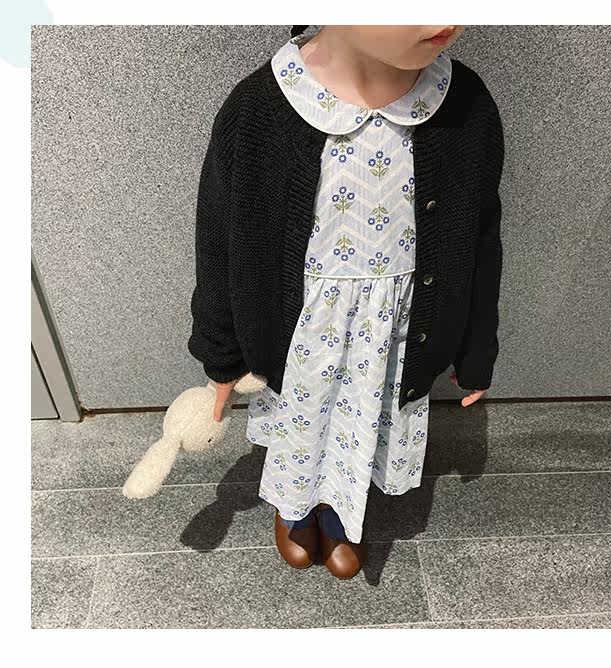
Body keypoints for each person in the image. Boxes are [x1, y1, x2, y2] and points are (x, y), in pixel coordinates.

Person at [189, 25, 505, 580]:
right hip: (303, 334)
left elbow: (479, 236)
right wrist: (221, 353)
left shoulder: (464, 107)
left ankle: (340, 513)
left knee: (365, 424)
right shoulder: (261, 108)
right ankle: (295, 508)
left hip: (392, 334)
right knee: (303, 424)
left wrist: (477, 348)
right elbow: (219, 238)